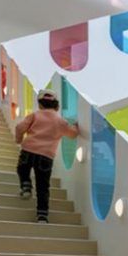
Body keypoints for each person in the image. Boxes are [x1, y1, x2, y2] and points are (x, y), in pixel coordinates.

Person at [14, 89, 79, 223]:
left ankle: (26, 185)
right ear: (57, 106)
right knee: (43, 186)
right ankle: (42, 215)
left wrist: (19, 140)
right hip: (46, 157)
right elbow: (73, 134)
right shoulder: (60, 121)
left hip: (28, 150)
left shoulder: (35, 115)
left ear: (40, 105)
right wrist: (76, 127)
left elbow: (19, 128)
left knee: (22, 169)